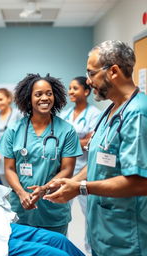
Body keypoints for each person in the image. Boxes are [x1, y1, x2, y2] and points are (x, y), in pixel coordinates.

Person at [44, 40, 147, 256]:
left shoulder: (137, 114)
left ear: (114, 71)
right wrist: (70, 182)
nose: (89, 81)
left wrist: (82, 188)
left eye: (91, 73)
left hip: (127, 237)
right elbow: (96, 160)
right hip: (103, 232)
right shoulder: (110, 111)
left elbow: (140, 182)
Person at [0, 73, 82, 235]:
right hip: (21, 209)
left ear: (55, 96)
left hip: (53, 208)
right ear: (29, 99)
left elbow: (67, 170)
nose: (45, 98)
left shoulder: (67, 130)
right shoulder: (14, 129)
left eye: (49, 93)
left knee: (54, 251)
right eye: (38, 94)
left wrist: (44, 188)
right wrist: (21, 193)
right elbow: (9, 169)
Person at [60, 76, 100, 252]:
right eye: (69, 88)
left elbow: (91, 141)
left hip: (85, 170)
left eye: (75, 88)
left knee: (89, 215)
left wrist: (69, 142)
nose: (70, 92)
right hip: (66, 171)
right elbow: (61, 139)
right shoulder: (65, 114)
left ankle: (90, 250)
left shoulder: (95, 114)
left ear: (86, 91)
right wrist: (79, 141)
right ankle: (61, 249)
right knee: (62, 213)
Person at [0, 88, 22, 186]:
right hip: (0, 156)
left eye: (1, 99)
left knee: (18, 184)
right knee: (6, 186)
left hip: (16, 154)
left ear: (9, 99)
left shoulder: (17, 114)